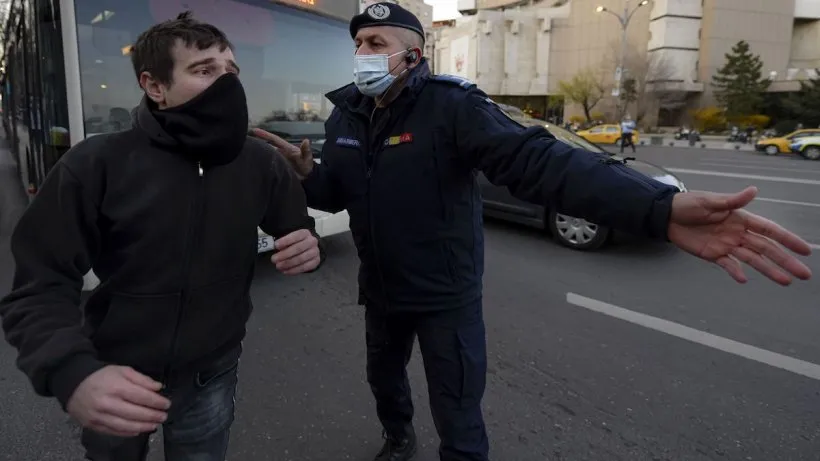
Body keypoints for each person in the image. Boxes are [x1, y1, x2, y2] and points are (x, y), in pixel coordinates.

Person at [252, 3, 813, 461]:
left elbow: (540, 160)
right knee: (385, 382)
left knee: (458, 412)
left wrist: (657, 208)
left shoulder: (452, 107)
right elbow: (341, 194)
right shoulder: (345, 114)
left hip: (445, 297)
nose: (362, 53)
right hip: (381, 291)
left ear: (412, 55)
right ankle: (398, 439)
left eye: (376, 43)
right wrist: (309, 177)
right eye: (358, 43)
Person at [0, 12, 322, 461]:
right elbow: (39, 285)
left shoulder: (260, 162)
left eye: (231, 70)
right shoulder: (94, 164)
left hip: (212, 372)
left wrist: (306, 242)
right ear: (154, 86)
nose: (227, 83)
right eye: (204, 69)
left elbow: (295, 227)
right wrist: (72, 372)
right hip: (117, 371)